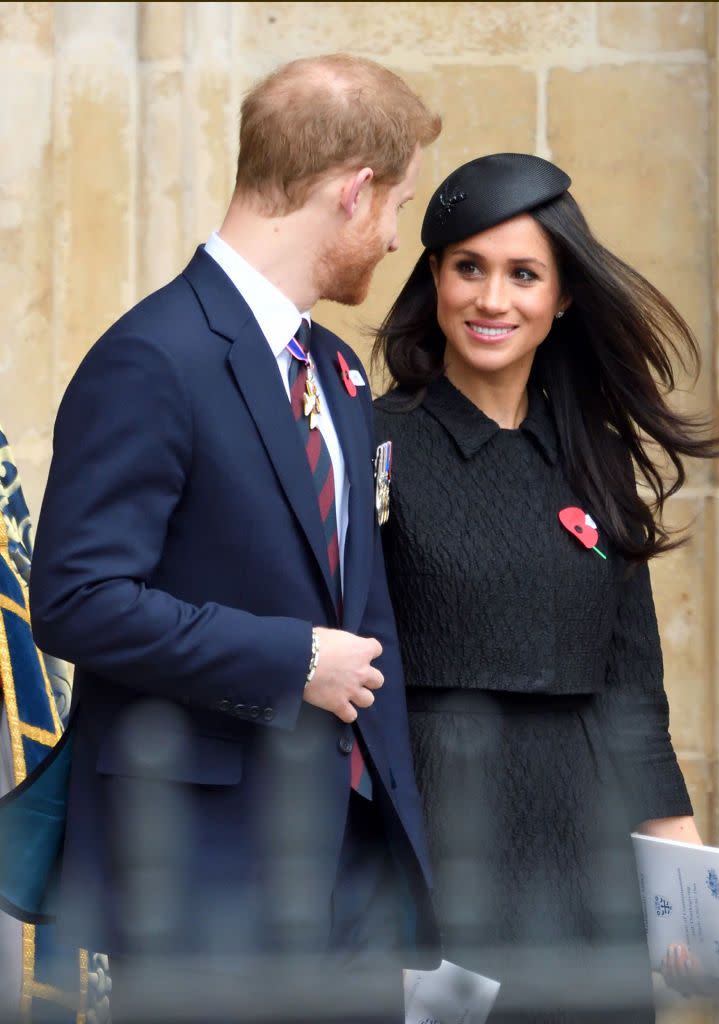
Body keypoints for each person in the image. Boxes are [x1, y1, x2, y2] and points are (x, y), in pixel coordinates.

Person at [28, 54, 441, 1024]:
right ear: (355, 190)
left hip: (349, 883)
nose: (392, 240)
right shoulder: (151, 356)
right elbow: (76, 596)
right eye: (396, 207)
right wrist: (289, 657)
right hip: (202, 881)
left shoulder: (335, 371)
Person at [372, 153, 719, 1022]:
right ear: (434, 276)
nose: (491, 300)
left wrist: (682, 879)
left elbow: (631, 689)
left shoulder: (595, 456)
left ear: (561, 297)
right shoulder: (373, 443)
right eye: (469, 268)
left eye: (523, 275)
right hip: (435, 839)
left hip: (586, 849)